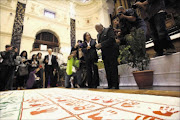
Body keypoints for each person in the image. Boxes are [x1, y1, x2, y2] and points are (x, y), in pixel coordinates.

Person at [95, 24, 119, 89]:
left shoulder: (108, 30)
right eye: (96, 30)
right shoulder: (98, 35)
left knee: (113, 69)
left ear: (101, 26)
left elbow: (111, 39)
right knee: (107, 70)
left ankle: (115, 85)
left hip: (112, 52)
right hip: (105, 54)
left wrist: (101, 44)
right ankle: (110, 85)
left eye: (98, 29)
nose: (98, 30)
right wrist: (98, 46)